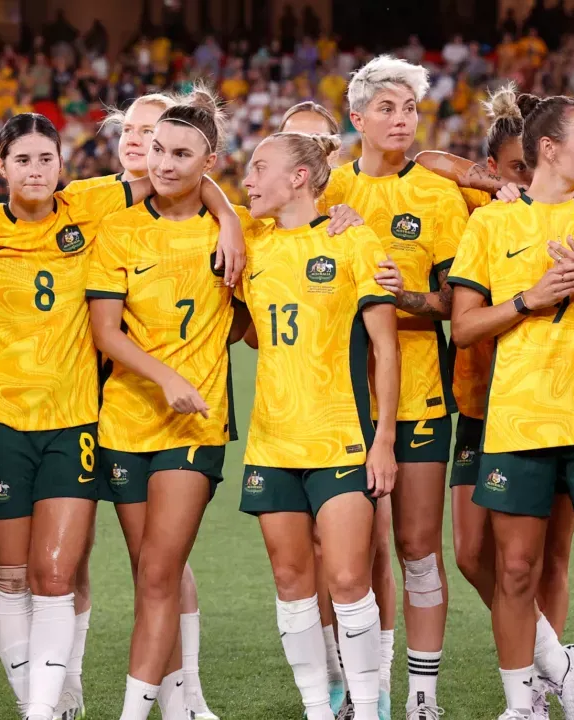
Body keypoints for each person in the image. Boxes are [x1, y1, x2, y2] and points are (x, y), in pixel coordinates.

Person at [0, 109, 244, 720]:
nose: (35, 170)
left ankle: (46, 711)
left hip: (75, 420)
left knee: (57, 575)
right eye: (22, 159)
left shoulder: (90, 206)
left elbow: (184, 179)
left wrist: (230, 222)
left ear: (63, 166)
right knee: (9, 579)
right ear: (0, 166)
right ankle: (41, 705)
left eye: (46, 159)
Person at [448, 95, 574, 720]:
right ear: (549, 149)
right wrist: (529, 300)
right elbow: (464, 329)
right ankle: (521, 705)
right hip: (517, 423)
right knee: (512, 570)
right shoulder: (491, 224)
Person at [416, 86, 574, 720]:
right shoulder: (479, 204)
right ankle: (558, 658)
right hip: (480, 401)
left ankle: (537, 692)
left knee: (548, 558)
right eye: (515, 168)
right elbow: (426, 156)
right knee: (470, 552)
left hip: (553, 400)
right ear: (494, 169)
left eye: (531, 165)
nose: (529, 178)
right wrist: (490, 186)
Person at [319, 55, 470, 720]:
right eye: (387, 108)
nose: (401, 120)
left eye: (409, 109)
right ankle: (364, 689)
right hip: (341, 399)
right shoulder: (326, 191)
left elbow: (454, 303)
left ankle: (423, 696)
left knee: (416, 547)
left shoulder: (437, 196)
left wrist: (395, 293)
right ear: (357, 118)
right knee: (357, 553)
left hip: (418, 394)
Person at [235, 130, 399, 720]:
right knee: (290, 580)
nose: (247, 180)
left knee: (351, 576)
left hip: (342, 438)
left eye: (259, 169)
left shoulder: (353, 238)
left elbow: (385, 346)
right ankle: (316, 708)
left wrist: (384, 441)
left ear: (299, 177)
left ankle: (365, 703)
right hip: (272, 440)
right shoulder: (250, 243)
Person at [86, 89, 238, 720]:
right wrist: (163, 375)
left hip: (195, 424)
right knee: (149, 569)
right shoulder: (117, 228)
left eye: (181, 153)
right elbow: (105, 332)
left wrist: (228, 215)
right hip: (124, 419)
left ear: (209, 163)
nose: (165, 162)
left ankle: (137, 710)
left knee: (157, 572)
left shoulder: (235, 226)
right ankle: (180, 703)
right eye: (156, 150)